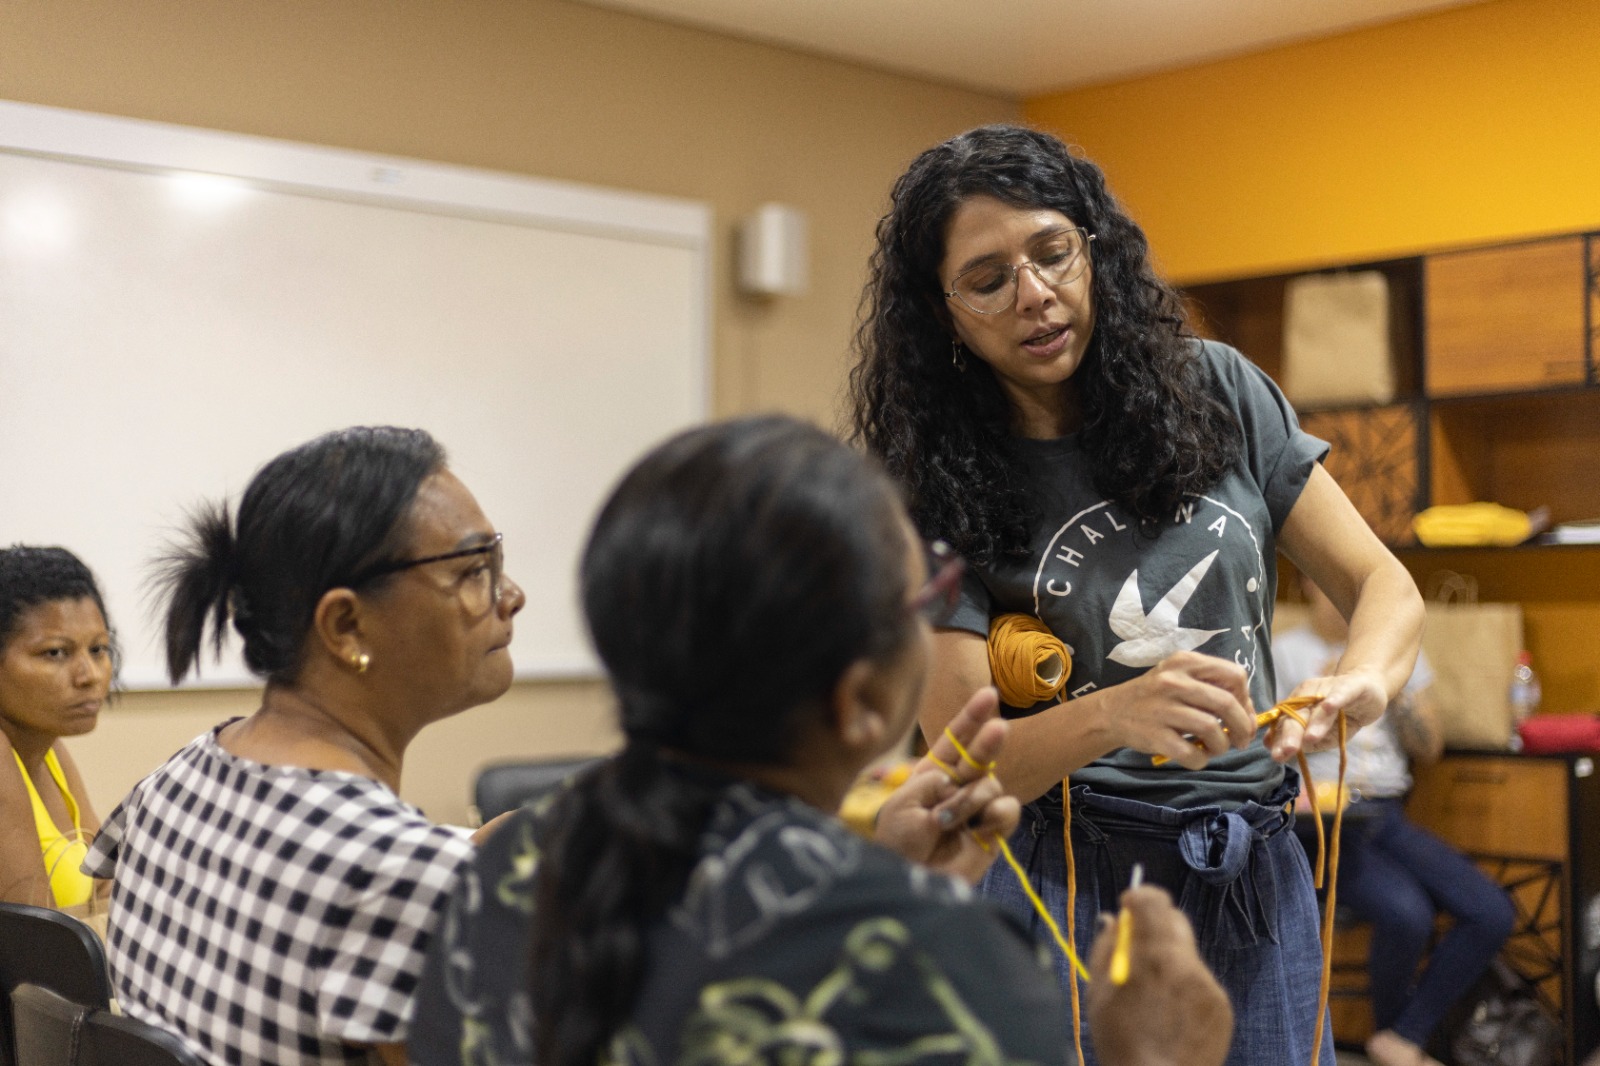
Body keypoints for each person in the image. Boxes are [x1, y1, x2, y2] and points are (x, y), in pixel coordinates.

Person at [848, 123, 1426, 1066]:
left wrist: (1362, 681)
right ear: (940, 313)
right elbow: (963, 767)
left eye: (1053, 253)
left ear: (1095, 252)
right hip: (1067, 871)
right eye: (988, 280)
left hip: (1257, 861)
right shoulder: (918, 490)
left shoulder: (1219, 390)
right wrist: (1118, 712)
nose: (1034, 295)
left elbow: (1383, 585)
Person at [408, 415, 1235, 1066]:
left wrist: (902, 885)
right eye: (930, 598)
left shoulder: (506, 869)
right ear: (859, 699)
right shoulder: (944, 969)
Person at [83, 426, 526, 1066]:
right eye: (471, 570)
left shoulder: (178, 776)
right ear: (346, 625)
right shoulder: (404, 878)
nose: (511, 595)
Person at [1277, 578, 1513, 1066]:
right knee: (1407, 914)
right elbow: (1258, 752)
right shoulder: (1283, 653)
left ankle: (1401, 1037)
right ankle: (1398, 1041)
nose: (1342, 598)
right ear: (1308, 584)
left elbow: (1430, 748)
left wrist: (1394, 688)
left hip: (1386, 813)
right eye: (1329, 583)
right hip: (1321, 825)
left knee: (1491, 911)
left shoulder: (1393, 651)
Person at [0, 545, 115, 909]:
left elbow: (110, 887)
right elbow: (41, 949)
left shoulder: (48, 748)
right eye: (55, 653)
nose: (90, 676)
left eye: (98, 649)